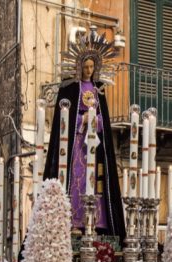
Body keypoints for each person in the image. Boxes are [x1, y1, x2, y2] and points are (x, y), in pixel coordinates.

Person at [43, 31, 125, 242]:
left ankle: (94, 223)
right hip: (76, 143)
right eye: (85, 67)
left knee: (95, 181)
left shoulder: (99, 90)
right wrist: (82, 121)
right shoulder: (70, 88)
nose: (88, 71)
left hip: (94, 145)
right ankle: (73, 222)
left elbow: (103, 119)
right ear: (79, 67)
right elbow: (65, 116)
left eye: (91, 67)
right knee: (75, 180)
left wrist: (95, 120)